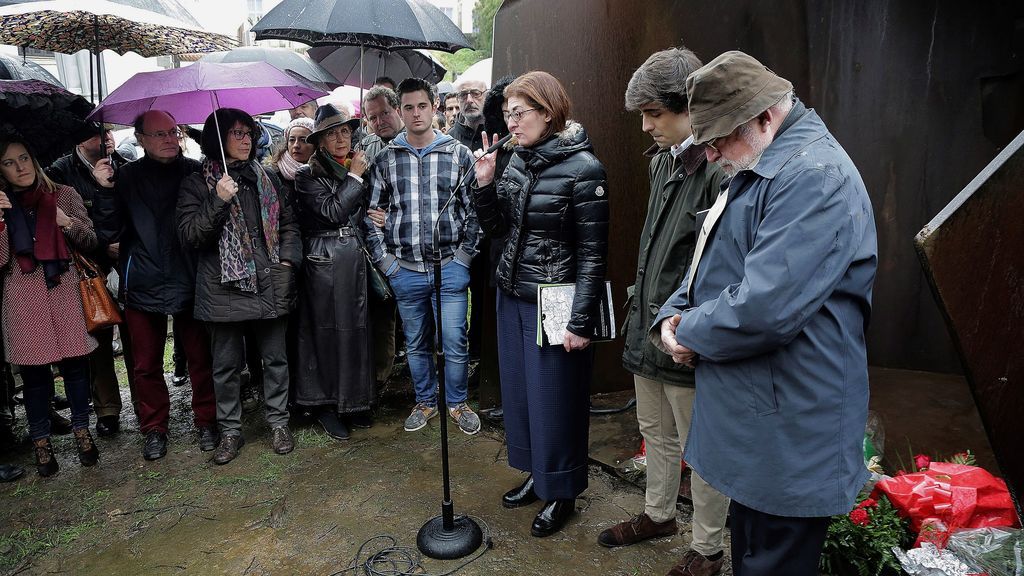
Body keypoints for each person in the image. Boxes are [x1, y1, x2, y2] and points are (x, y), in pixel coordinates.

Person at [652, 50, 878, 574]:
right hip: (762, 419)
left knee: (771, 561)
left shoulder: (815, 176)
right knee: (753, 555)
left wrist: (687, 330)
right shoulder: (765, 159)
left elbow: (765, 306)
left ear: (763, 116)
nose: (709, 156)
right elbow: (712, 255)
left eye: (717, 140)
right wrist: (674, 310)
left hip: (789, 427)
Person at [597, 47, 730, 576]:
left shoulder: (719, 169)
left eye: (655, 113)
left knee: (702, 450)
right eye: (643, 114)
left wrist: (690, 330)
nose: (646, 126)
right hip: (646, 329)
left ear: (688, 107)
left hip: (684, 337)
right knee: (656, 432)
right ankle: (658, 515)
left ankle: (708, 549)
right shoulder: (662, 164)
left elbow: (722, 268)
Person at [473, 71, 609, 537]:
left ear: (548, 113)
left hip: (555, 301)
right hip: (513, 294)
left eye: (520, 113)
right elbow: (498, 229)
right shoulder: (514, 160)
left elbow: (593, 253)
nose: (511, 122)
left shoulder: (584, 169)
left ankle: (563, 491)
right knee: (522, 396)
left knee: (556, 400)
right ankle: (538, 474)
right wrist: (485, 185)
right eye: (508, 114)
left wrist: (581, 319)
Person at [177, 108, 301, 465]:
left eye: (249, 132)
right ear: (218, 139)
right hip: (222, 287)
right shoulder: (197, 182)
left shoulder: (267, 177)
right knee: (226, 366)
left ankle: (278, 422)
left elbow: (289, 224)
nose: (246, 140)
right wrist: (217, 199)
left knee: (275, 359)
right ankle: (230, 430)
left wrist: (287, 264)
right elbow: (190, 236)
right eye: (236, 133)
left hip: (268, 281)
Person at [94, 110, 217, 462]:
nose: (169, 139)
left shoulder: (195, 171)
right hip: (143, 279)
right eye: (159, 134)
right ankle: (154, 428)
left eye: (173, 132)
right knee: (146, 364)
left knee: (199, 358)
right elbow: (109, 233)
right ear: (142, 139)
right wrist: (104, 192)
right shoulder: (126, 177)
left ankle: (207, 421)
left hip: (190, 276)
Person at [363, 77, 481, 436]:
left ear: (435, 107)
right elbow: (371, 215)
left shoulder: (458, 154)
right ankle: (426, 401)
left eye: (422, 106)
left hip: (450, 268)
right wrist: (388, 264)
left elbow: (475, 212)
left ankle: (457, 403)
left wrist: (463, 258)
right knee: (415, 342)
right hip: (406, 270)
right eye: (409, 107)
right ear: (400, 111)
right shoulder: (385, 159)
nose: (416, 113)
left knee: (454, 340)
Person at [0, 135, 100, 477]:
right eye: (9, 163)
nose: (20, 167)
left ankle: (82, 432)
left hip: (64, 290)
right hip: (23, 295)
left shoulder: (64, 194)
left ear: (35, 159)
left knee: (75, 368)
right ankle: (41, 443)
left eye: (24, 158)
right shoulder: (4, 203)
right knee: (34, 375)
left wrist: (66, 222)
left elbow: (91, 240)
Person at [292, 105, 373, 441]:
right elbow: (332, 211)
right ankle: (325, 405)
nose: (341, 137)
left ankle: (354, 402)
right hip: (323, 261)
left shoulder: (360, 164)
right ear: (320, 142)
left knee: (355, 330)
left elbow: (364, 209)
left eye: (344, 131)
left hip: (353, 257)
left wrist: (375, 214)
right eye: (331, 133)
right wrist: (354, 177)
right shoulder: (306, 176)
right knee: (325, 333)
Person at [46, 127, 131, 438]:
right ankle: (107, 409)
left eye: (108, 131)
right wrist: (100, 244)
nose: (107, 137)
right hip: (87, 266)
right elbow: (62, 221)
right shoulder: (60, 172)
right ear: (80, 138)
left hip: (126, 261)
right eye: (98, 132)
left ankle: (144, 402)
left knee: (134, 336)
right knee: (98, 341)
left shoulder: (123, 162)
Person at [357, 85, 405, 387]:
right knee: (384, 313)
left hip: (413, 247)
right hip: (379, 250)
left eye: (385, 113)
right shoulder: (367, 148)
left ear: (397, 109)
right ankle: (383, 379)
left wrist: (394, 218)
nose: (380, 121)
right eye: (372, 117)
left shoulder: (416, 141)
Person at [447, 78, 488, 150]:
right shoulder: (450, 139)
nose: (469, 100)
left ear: (486, 96)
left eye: (476, 93)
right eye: (463, 95)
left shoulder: (500, 133)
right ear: (457, 100)